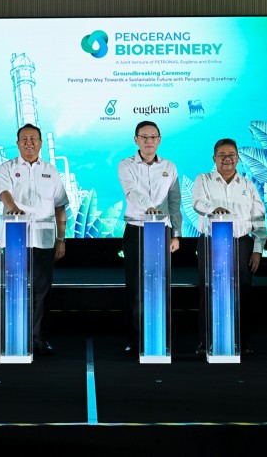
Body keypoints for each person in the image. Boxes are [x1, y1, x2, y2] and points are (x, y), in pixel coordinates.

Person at [0, 123, 68, 356]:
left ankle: (38, 338)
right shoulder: (7, 167)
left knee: (42, 291)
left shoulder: (51, 170)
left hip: (45, 240)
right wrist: (14, 209)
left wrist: (61, 239)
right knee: (15, 289)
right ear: (18, 143)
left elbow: (59, 206)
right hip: (16, 237)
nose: (29, 143)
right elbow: (4, 193)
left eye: (33, 139)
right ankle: (15, 339)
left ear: (40, 143)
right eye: (24, 139)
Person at [192, 138, 267, 356]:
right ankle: (206, 343)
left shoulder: (247, 185)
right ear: (214, 158)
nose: (227, 159)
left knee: (242, 292)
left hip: (242, 243)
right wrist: (215, 209)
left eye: (232, 155)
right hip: (211, 242)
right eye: (222, 155)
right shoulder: (203, 179)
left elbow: (259, 219)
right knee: (209, 291)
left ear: (238, 158)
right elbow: (197, 203)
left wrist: (257, 249)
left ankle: (241, 343)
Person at [117, 120, 182, 356]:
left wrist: (176, 233)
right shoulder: (126, 165)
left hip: (161, 231)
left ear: (160, 139)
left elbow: (175, 202)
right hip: (136, 229)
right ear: (136, 140)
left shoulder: (169, 166)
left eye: (153, 137)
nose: (149, 141)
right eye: (144, 137)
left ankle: (159, 339)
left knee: (159, 286)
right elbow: (132, 192)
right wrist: (150, 208)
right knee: (135, 287)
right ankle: (135, 341)